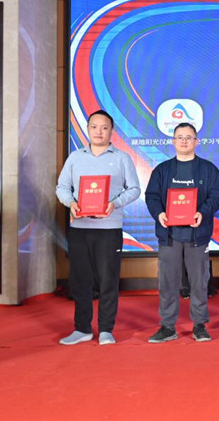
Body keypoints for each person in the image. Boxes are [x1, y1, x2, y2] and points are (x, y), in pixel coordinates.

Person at [56, 110, 141, 345]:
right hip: (79, 228)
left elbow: (134, 189)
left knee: (108, 280)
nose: (99, 132)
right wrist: (70, 203)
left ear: (111, 131)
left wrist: (115, 203)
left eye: (104, 127)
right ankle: (82, 329)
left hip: (109, 229)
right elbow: (62, 187)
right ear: (88, 129)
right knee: (80, 280)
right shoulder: (75, 158)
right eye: (94, 127)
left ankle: (105, 329)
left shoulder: (122, 158)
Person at [144, 122, 219, 343]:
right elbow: (151, 196)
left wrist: (202, 212)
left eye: (189, 137)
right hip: (169, 235)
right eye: (180, 137)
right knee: (168, 282)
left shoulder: (208, 169)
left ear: (196, 141)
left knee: (199, 282)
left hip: (197, 235)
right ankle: (167, 326)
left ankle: (199, 325)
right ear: (173, 141)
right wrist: (159, 213)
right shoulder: (162, 170)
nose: (184, 141)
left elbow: (217, 195)